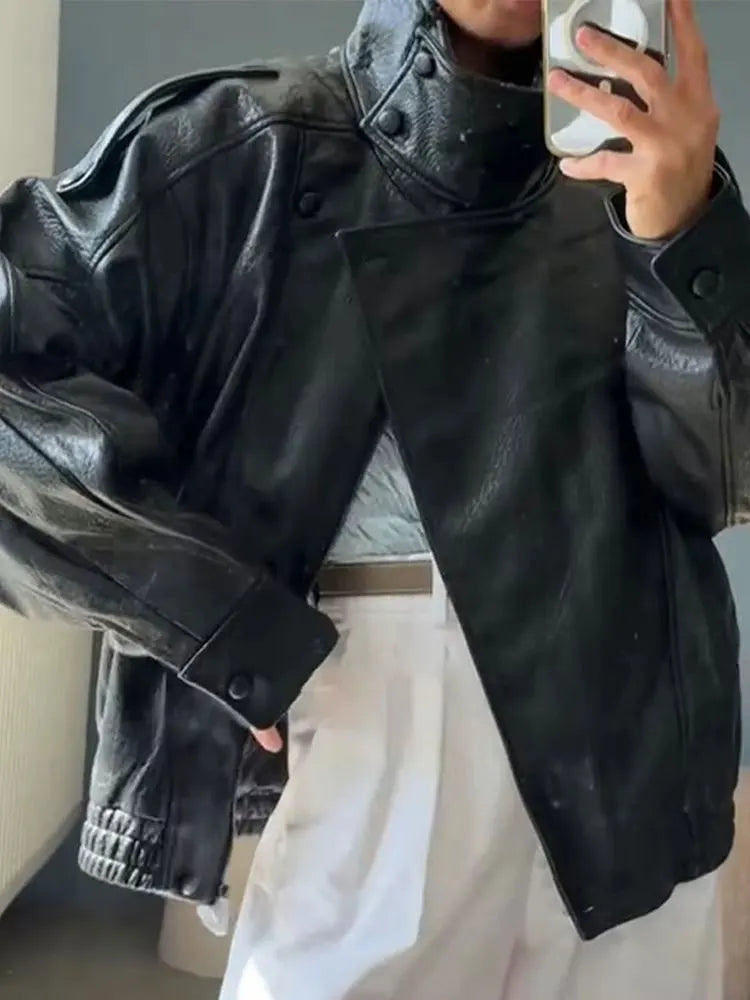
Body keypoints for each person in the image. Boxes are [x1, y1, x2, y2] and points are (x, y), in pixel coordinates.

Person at [0, 0, 745, 995]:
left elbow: (722, 483)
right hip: (378, 709)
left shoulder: (648, 166)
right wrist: (207, 610)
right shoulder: (241, 145)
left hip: (645, 727)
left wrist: (687, 236)